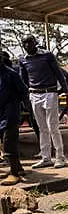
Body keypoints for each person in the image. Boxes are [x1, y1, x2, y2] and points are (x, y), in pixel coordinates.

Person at [19, 35, 68, 169]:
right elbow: (23, 80)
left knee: (52, 126)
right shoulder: (23, 59)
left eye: (29, 42)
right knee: (42, 128)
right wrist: (24, 97)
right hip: (34, 94)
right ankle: (46, 157)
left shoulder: (47, 55)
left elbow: (59, 74)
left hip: (50, 93)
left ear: (35, 42)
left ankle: (60, 157)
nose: (27, 46)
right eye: (24, 43)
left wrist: (67, 93)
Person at [0, 51, 28, 185]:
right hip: (1, 114)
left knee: (8, 143)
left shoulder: (11, 74)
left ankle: (14, 174)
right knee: (8, 143)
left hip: (10, 114)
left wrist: (26, 109)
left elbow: (24, 91)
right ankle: (18, 168)